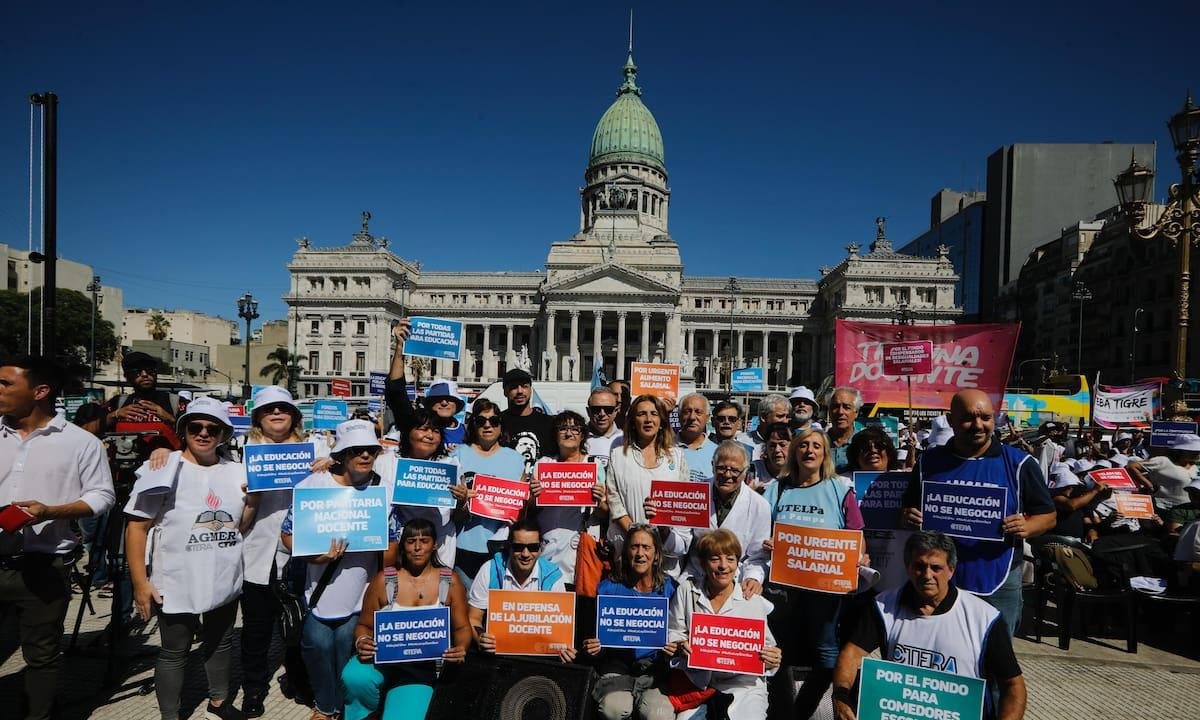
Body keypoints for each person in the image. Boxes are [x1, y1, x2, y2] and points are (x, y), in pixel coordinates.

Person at [124, 396, 257, 720]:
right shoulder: (162, 467)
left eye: (213, 428)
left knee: (220, 642)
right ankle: (170, 715)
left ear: (224, 434)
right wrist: (140, 583)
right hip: (177, 577)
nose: (203, 433)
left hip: (224, 574)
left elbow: (239, 526)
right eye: (195, 426)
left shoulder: (239, 471)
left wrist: (252, 501)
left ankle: (218, 702)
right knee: (174, 651)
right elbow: (137, 528)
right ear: (183, 430)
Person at [0, 356, 115, 720]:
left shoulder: (81, 444)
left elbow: (102, 497)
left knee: (42, 655)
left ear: (40, 391)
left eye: (5, 384)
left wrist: (50, 511)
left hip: (43, 566)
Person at [901, 389, 1056, 637]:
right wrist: (909, 516)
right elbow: (909, 508)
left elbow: (1047, 515)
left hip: (998, 575)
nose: (978, 425)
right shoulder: (928, 462)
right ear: (951, 420)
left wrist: (1027, 526)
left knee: (995, 653)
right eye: (968, 418)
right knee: (940, 643)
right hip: (938, 577)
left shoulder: (1020, 463)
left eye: (985, 417)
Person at [831, 531, 1027, 720]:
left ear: (951, 570)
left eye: (936, 567)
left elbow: (1013, 686)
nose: (927, 575)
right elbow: (852, 654)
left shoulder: (985, 618)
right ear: (907, 567)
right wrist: (840, 697)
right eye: (919, 566)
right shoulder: (883, 606)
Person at [281, 419, 400, 720]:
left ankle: (344, 707)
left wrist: (376, 545)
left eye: (371, 451)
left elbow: (394, 540)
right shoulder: (312, 485)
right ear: (342, 455)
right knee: (318, 646)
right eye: (357, 451)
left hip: (362, 591)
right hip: (318, 589)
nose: (365, 456)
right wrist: (318, 557)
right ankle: (325, 704)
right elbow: (287, 534)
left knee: (345, 648)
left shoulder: (383, 491)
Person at [762, 428, 868, 719]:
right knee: (779, 653)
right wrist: (767, 541)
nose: (809, 450)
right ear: (795, 451)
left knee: (826, 655)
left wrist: (860, 555)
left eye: (816, 446)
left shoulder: (840, 488)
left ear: (825, 454)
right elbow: (761, 529)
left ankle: (803, 710)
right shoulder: (778, 488)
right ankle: (781, 711)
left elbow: (857, 534)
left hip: (825, 590)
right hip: (783, 591)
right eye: (804, 445)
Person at [238, 386, 330, 716]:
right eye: (268, 410)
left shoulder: (316, 448)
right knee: (257, 628)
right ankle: (253, 688)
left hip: (303, 551)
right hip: (258, 552)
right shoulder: (245, 451)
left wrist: (331, 463)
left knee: (299, 626)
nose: (277, 414)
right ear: (258, 419)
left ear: (295, 416)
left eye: (283, 409)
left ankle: (299, 680)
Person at [342, 519, 472, 720]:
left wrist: (461, 647)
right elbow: (364, 625)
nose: (418, 547)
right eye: (411, 541)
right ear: (403, 545)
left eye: (424, 540)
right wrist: (362, 641)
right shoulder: (384, 579)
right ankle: (364, 713)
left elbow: (462, 627)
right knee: (355, 676)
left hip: (422, 669)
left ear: (434, 544)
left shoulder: (450, 581)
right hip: (382, 660)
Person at [664, 529, 780, 720]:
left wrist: (772, 658)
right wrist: (679, 647)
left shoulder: (752, 600)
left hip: (743, 686)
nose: (723, 566)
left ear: (737, 563)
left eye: (731, 559)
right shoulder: (687, 590)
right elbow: (674, 632)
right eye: (715, 559)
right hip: (697, 684)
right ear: (703, 563)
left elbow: (768, 650)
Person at [583, 524, 678, 720]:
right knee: (614, 709)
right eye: (634, 547)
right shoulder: (608, 589)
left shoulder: (671, 590)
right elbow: (593, 639)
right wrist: (596, 649)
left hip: (655, 670)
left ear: (657, 555)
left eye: (646, 547)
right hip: (616, 667)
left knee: (659, 715)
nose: (640, 553)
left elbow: (680, 632)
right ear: (626, 552)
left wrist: (674, 649)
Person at [672, 441, 771, 598]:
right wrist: (664, 532)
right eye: (721, 468)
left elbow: (758, 556)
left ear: (745, 472)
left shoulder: (760, 506)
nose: (727, 474)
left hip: (736, 584)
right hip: (696, 579)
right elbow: (680, 544)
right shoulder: (695, 495)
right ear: (712, 465)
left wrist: (753, 578)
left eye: (735, 470)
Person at [449, 398, 528, 582]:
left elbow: (523, 508)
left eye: (494, 421)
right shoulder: (457, 454)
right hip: (464, 546)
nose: (487, 426)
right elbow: (447, 506)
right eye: (480, 421)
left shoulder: (516, 459)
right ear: (472, 424)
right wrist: (461, 500)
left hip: (503, 547)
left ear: (501, 426)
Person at [468, 519, 570, 658]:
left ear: (540, 548)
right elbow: (473, 617)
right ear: (509, 546)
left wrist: (564, 650)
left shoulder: (554, 577)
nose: (526, 554)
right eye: (518, 547)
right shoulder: (490, 569)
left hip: (537, 658)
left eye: (533, 547)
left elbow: (560, 632)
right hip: (497, 655)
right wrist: (480, 639)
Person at [605, 395, 689, 561]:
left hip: (665, 547)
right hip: (627, 547)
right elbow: (614, 499)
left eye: (654, 414)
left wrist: (660, 536)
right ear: (633, 421)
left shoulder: (677, 456)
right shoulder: (618, 455)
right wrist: (636, 536)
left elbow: (683, 502)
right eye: (642, 414)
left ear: (662, 421)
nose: (648, 419)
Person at [530, 410, 606, 586]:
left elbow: (604, 513)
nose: (569, 433)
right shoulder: (543, 464)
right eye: (563, 428)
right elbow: (530, 509)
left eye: (575, 429)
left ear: (583, 436)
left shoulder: (594, 465)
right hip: (548, 550)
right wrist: (533, 496)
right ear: (555, 435)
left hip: (579, 555)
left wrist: (599, 499)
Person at [381, 407, 459, 568]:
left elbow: (456, 515)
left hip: (439, 546)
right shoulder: (386, 462)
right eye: (423, 429)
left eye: (436, 431)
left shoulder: (450, 465)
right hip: (397, 548)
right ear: (408, 433)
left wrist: (463, 500)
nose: (430, 436)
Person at [386, 320, 467, 448]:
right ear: (429, 404)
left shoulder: (469, 432)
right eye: (438, 399)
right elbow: (396, 393)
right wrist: (400, 348)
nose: (444, 402)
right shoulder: (414, 425)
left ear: (457, 405)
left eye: (449, 399)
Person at [103, 351, 181, 430]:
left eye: (150, 370)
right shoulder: (116, 403)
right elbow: (91, 429)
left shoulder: (176, 402)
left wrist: (170, 418)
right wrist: (115, 414)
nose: (144, 374)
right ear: (127, 377)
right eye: (137, 371)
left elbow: (192, 430)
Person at [500, 368, 556, 476]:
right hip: (507, 487)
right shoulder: (497, 422)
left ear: (531, 389)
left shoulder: (548, 422)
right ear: (505, 391)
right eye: (514, 387)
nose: (520, 391)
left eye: (524, 386)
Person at [1127, 433, 1200, 512]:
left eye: (1198, 451)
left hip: (1192, 510)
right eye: (1193, 452)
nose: (1197, 454)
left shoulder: (1196, 465)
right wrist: (1149, 485)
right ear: (1180, 451)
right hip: (1165, 509)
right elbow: (1131, 467)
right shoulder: (1163, 461)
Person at [676, 393, 718, 482]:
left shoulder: (717, 453)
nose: (692, 417)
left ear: (707, 418)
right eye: (687, 411)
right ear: (679, 416)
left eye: (698, 412)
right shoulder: (664, 447)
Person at [585, 386, 625, 465]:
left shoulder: (625, 440)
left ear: (616, 411)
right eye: (596, 409)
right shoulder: (577, 439)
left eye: (608, 409)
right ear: (588, 411)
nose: (602, 414)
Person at [825, 387, 861, 472]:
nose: (840, 412)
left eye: (846, 407)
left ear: (856, 413)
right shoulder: (818, 443)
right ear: (829, 411)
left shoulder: (864, 444)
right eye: (835, 407)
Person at [748, 422, 790, 493]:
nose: (777, 450)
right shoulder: (753, 470)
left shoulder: (799, 472)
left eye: (782, 445)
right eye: (772, 446)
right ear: (766, 448)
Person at [750, 394, 789, 459]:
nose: (785, 421)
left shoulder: (792, 443)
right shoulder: (741, 442)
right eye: (780, 416)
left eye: (787, 417)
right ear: (764, 417)